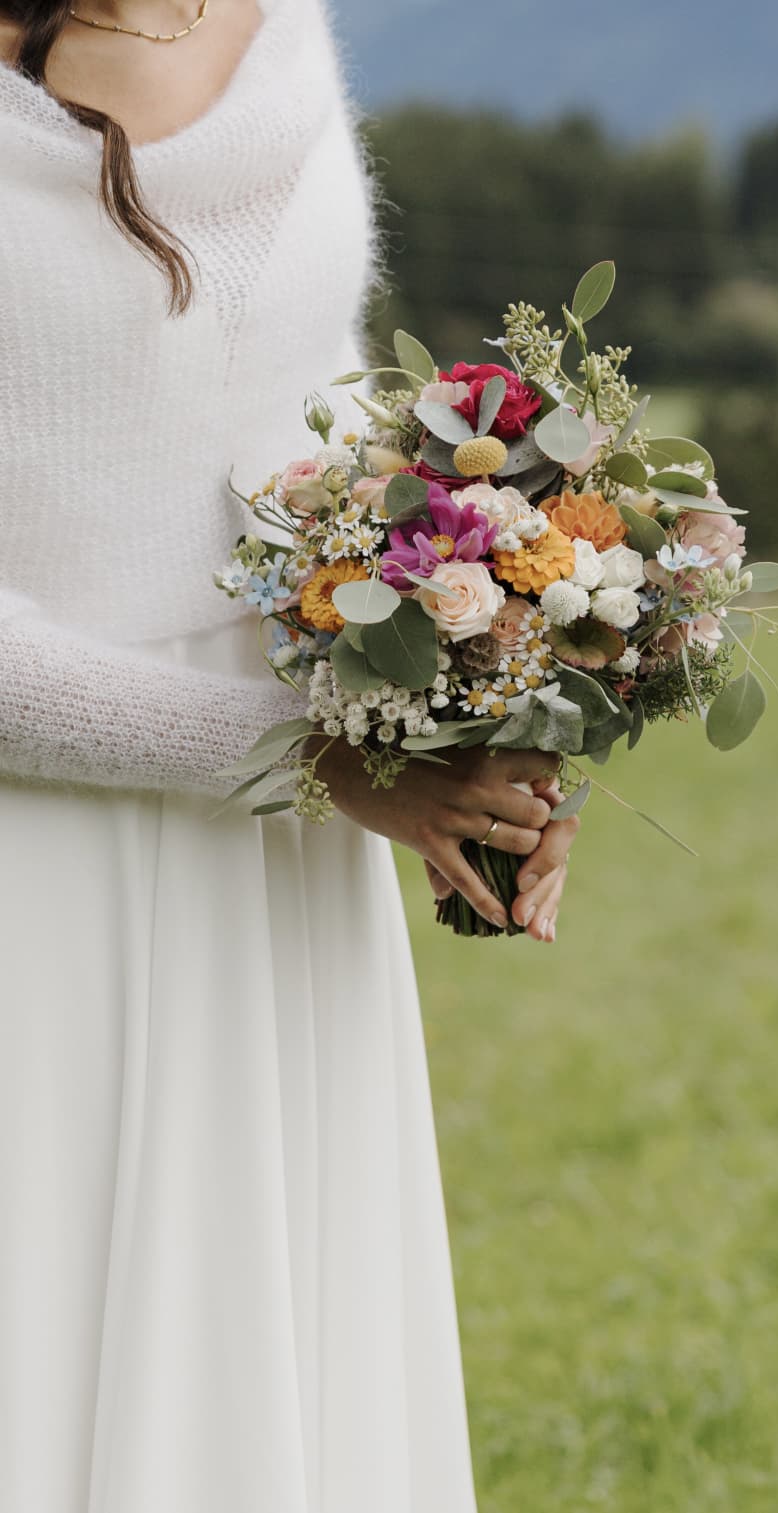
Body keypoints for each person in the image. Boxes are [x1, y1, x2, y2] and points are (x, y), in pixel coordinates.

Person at [0, 0, 578, 1506]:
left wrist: (474, 663)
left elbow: (300, 393)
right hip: (48, 863)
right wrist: (305, 756)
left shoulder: (276, 19)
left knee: (284, 1379)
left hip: (291, 852)